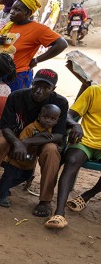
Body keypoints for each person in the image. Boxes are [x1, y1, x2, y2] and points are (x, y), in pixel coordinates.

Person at [0, 69, 81, 217]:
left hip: (42, 141)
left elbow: (58, 135)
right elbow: (5, 127)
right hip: (14, 137)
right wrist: (18, 142)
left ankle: (45, 200)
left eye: (46, 87)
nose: (39, 91)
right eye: (36, 85)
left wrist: (26, 142)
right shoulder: (16, 97)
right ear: (31, 83)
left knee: (52, 151)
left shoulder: (59, 102)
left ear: (53, 89)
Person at [47, 83, 101, 228]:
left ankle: (88, 195)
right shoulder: (94, 90)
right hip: (86, 140)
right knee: (71, 160)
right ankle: (59, 213)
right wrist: (76, 125)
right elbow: (69, 115)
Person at [0, 0, 68, 90]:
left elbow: (62, 44)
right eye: (12, 8)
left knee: (14, 102)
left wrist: (36, 60)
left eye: (17, 10)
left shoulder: (38, 29)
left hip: (18, 75)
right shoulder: (9, 26)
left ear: (27, 13)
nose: (12, 12)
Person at [0, 104, 61, 208]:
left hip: (29, 162)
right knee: (9, 176)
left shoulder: (50, 131)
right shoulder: (31, 128)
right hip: (16, 160)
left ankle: (1, 186)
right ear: (39, 116)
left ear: (57, 121)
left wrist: (58, 147)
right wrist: (38, 137)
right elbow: (21, 142)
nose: (48, 121)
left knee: (26, 176)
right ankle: (2, 195)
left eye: (53, 119)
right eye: (46, 117)